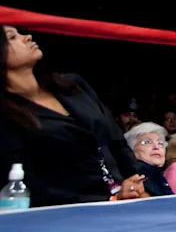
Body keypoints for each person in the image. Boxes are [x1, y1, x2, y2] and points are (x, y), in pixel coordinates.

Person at [0, 26, 147, 206]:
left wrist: (137, 180)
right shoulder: (8, 114)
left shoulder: (72, 85)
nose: (27, 37)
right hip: (68, 208)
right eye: (12, 37)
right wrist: (108, 199)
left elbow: (115, 140)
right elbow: (28, 181)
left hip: (122, 197)